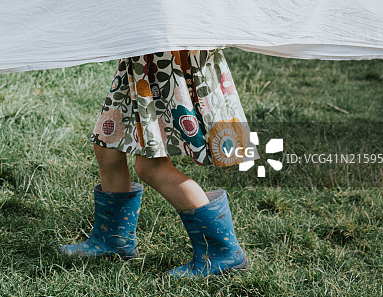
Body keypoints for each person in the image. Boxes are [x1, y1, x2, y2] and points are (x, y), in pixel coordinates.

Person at [60, 49, 257, 277]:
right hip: (140, 63)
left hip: (167, 64)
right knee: (108, 145)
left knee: (151, 166)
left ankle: (222, 254)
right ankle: (112, 241)